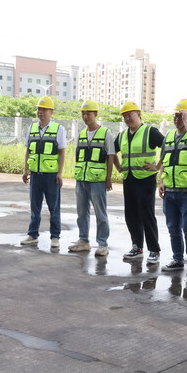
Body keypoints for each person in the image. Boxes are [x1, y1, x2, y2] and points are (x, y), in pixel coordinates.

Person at [158, 99, 187, 274]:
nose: (177, 119)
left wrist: (186, 121)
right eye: (175, 116)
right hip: (170, 192)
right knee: (173, 228)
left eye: (181, 116)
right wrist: (161, 181)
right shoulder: (169, 137)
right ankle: (177, 259)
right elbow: (164, 161)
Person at [115, 101, 164, 265]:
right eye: (125, 116)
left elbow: (167, 146)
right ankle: (137, 246)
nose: (128, 118)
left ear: (139, 114)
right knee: (131, 214)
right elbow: (110, 150)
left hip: (145, 179)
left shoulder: (150, 131)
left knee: (147, 215)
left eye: (131, 115)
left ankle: (154, 250)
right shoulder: (122, 135)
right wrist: (118, 166)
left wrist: (157, 166)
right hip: (129, 179)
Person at [68, 100, 115, 257]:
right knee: (82, 212)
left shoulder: (105, 133)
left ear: (96, 114)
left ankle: (102, 243)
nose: (85, 116)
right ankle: (83, 241)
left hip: (97, 180)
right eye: (83, 113)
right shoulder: (81, 134)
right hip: (81, 179)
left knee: (100, 213)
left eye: (88, 113)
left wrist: (108, 178)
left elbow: (111, 156)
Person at [21, 96, 66, 249]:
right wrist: (26, 170)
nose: (41, 112)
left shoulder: (58, 129)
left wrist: (60, 173)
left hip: (51, 176)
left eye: (44, 109)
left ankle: (55, 237)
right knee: (35, 207)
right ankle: (32, 234)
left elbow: (62, 152)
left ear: (51, 112)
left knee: (54, 208)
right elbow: (28, 150)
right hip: (35, 175)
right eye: (39, 109)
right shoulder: (31, 128)